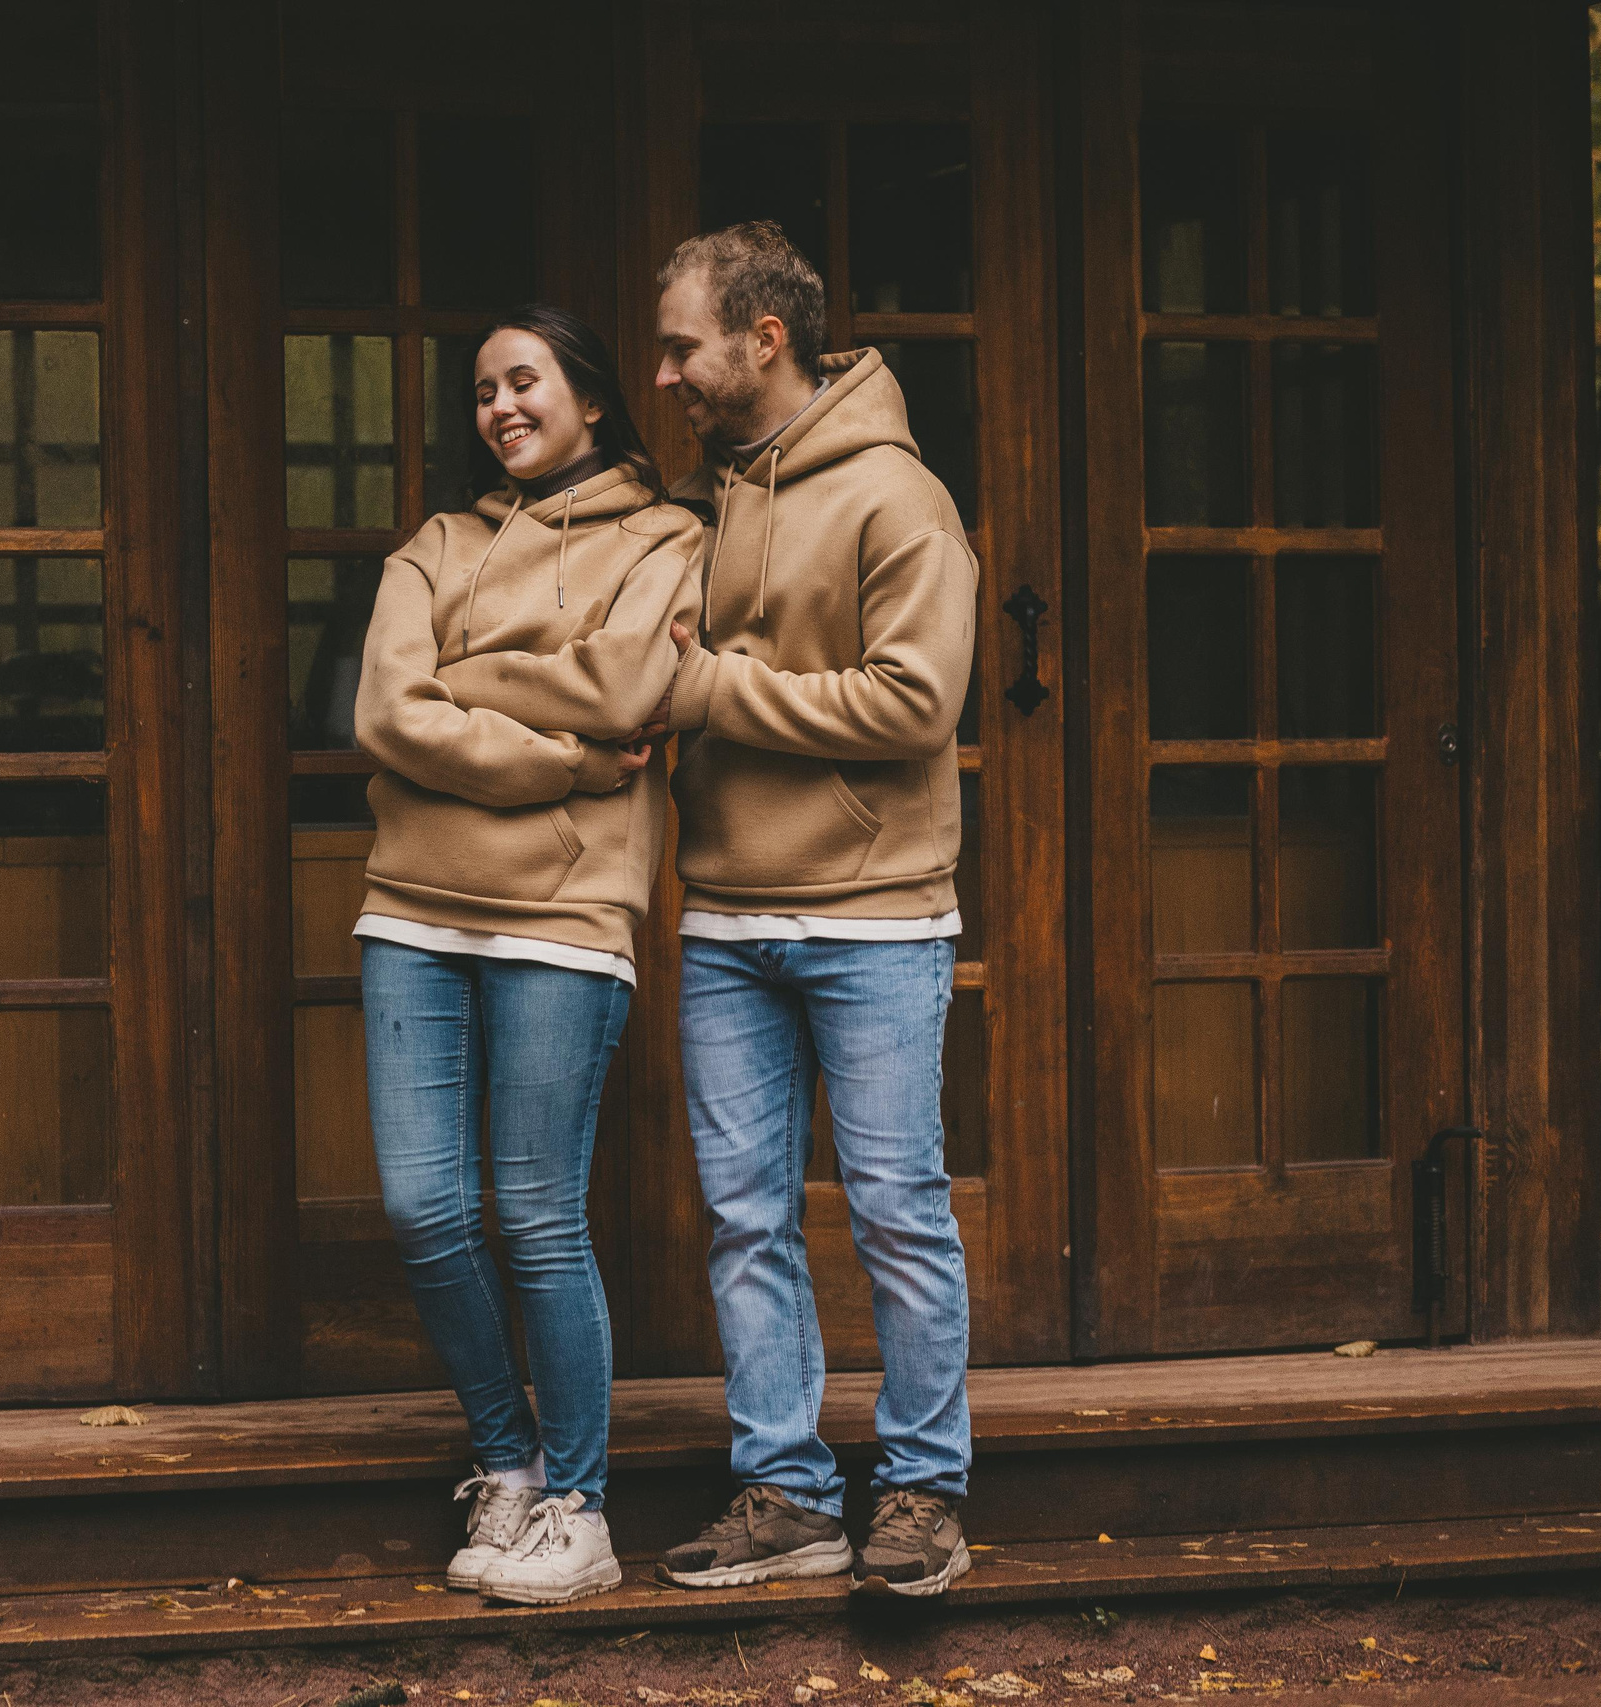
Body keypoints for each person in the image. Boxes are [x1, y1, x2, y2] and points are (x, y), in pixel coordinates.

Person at [352, 304, 702, 1606]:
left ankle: (580, 1507)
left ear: (593, 399)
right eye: (484, 389)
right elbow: (391, 709)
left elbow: (629, 691)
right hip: (412, 911)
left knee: (537, 1216)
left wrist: (472, 682)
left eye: (526, 381)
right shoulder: (436, 544)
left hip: (564, 918)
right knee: (425, 1212)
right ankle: (506, 1465)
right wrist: (558, 758)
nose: (501, 405)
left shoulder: (667, 538)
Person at [650, 220, 979, 1597]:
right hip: (727, 914)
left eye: (682, 344)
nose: (664, 373)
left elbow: (917, 706)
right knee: (744, 1219)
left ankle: (923, 1493)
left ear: (761, 338)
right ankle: (785, 1494)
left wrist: (710, 689)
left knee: (898, 1210)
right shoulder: (716, 496)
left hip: (877, 917)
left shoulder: (899, 499)